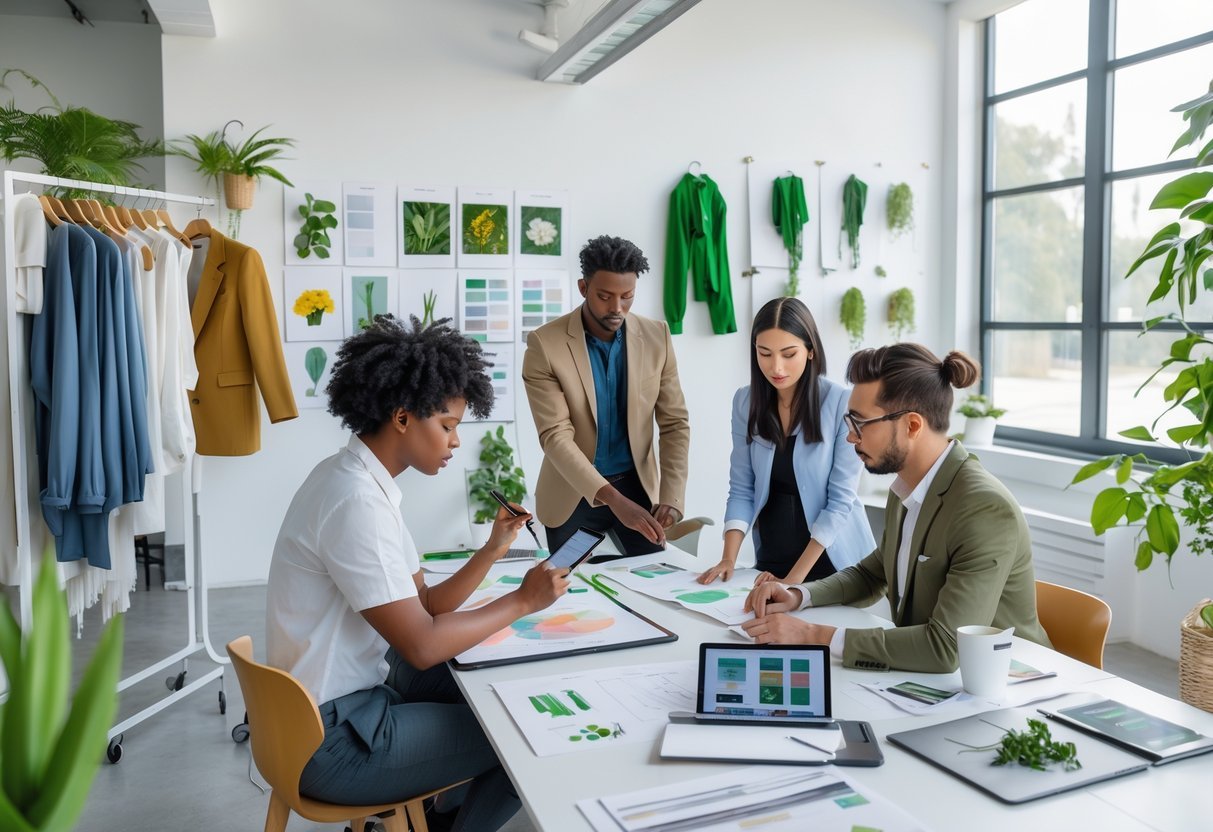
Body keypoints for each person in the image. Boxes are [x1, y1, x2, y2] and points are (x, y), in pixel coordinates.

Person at [266, 316, 569, 832]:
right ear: (403, 418)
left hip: (328, 713)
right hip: (332, 742)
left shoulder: (358, 481)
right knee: (523, 729)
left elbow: (425, 604)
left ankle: (436, 813)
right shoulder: (355, 502)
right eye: (447, 425)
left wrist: (493, 550)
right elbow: (423, 644)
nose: (454, 442)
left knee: (492, 685)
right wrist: (521, 602)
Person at [742, 343, 1051, 673]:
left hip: (1008, 684)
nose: (850, 438)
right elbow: (873, 573)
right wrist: (799, 595)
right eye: (849, 421)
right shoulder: (907, 486)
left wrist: (813, 635)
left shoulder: (984, 508)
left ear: (912, 426)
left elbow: (945, 647)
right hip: (940, 683)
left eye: (860, 423)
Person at [522, 234, 691, 559]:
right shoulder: (545, 345)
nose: (617, 308)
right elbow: (555, 436)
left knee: (649, 585)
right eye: (604, 296)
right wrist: (612, 499)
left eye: (627, 296)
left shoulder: (658, 337)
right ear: (583, 288)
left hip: (638, 491)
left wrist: (672, 496)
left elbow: (675, 423)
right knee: (569, 591)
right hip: (573, 496)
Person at [699, 297, 874, 587]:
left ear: (810, 351)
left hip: (831, 560)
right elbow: (742, 487)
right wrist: (728, 558)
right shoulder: (745, 401)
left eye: (788, 353)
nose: (776, 367)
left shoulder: (839, 402)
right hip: (771, 556)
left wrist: (794, 580)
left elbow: (840, 502)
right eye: (764, 353)